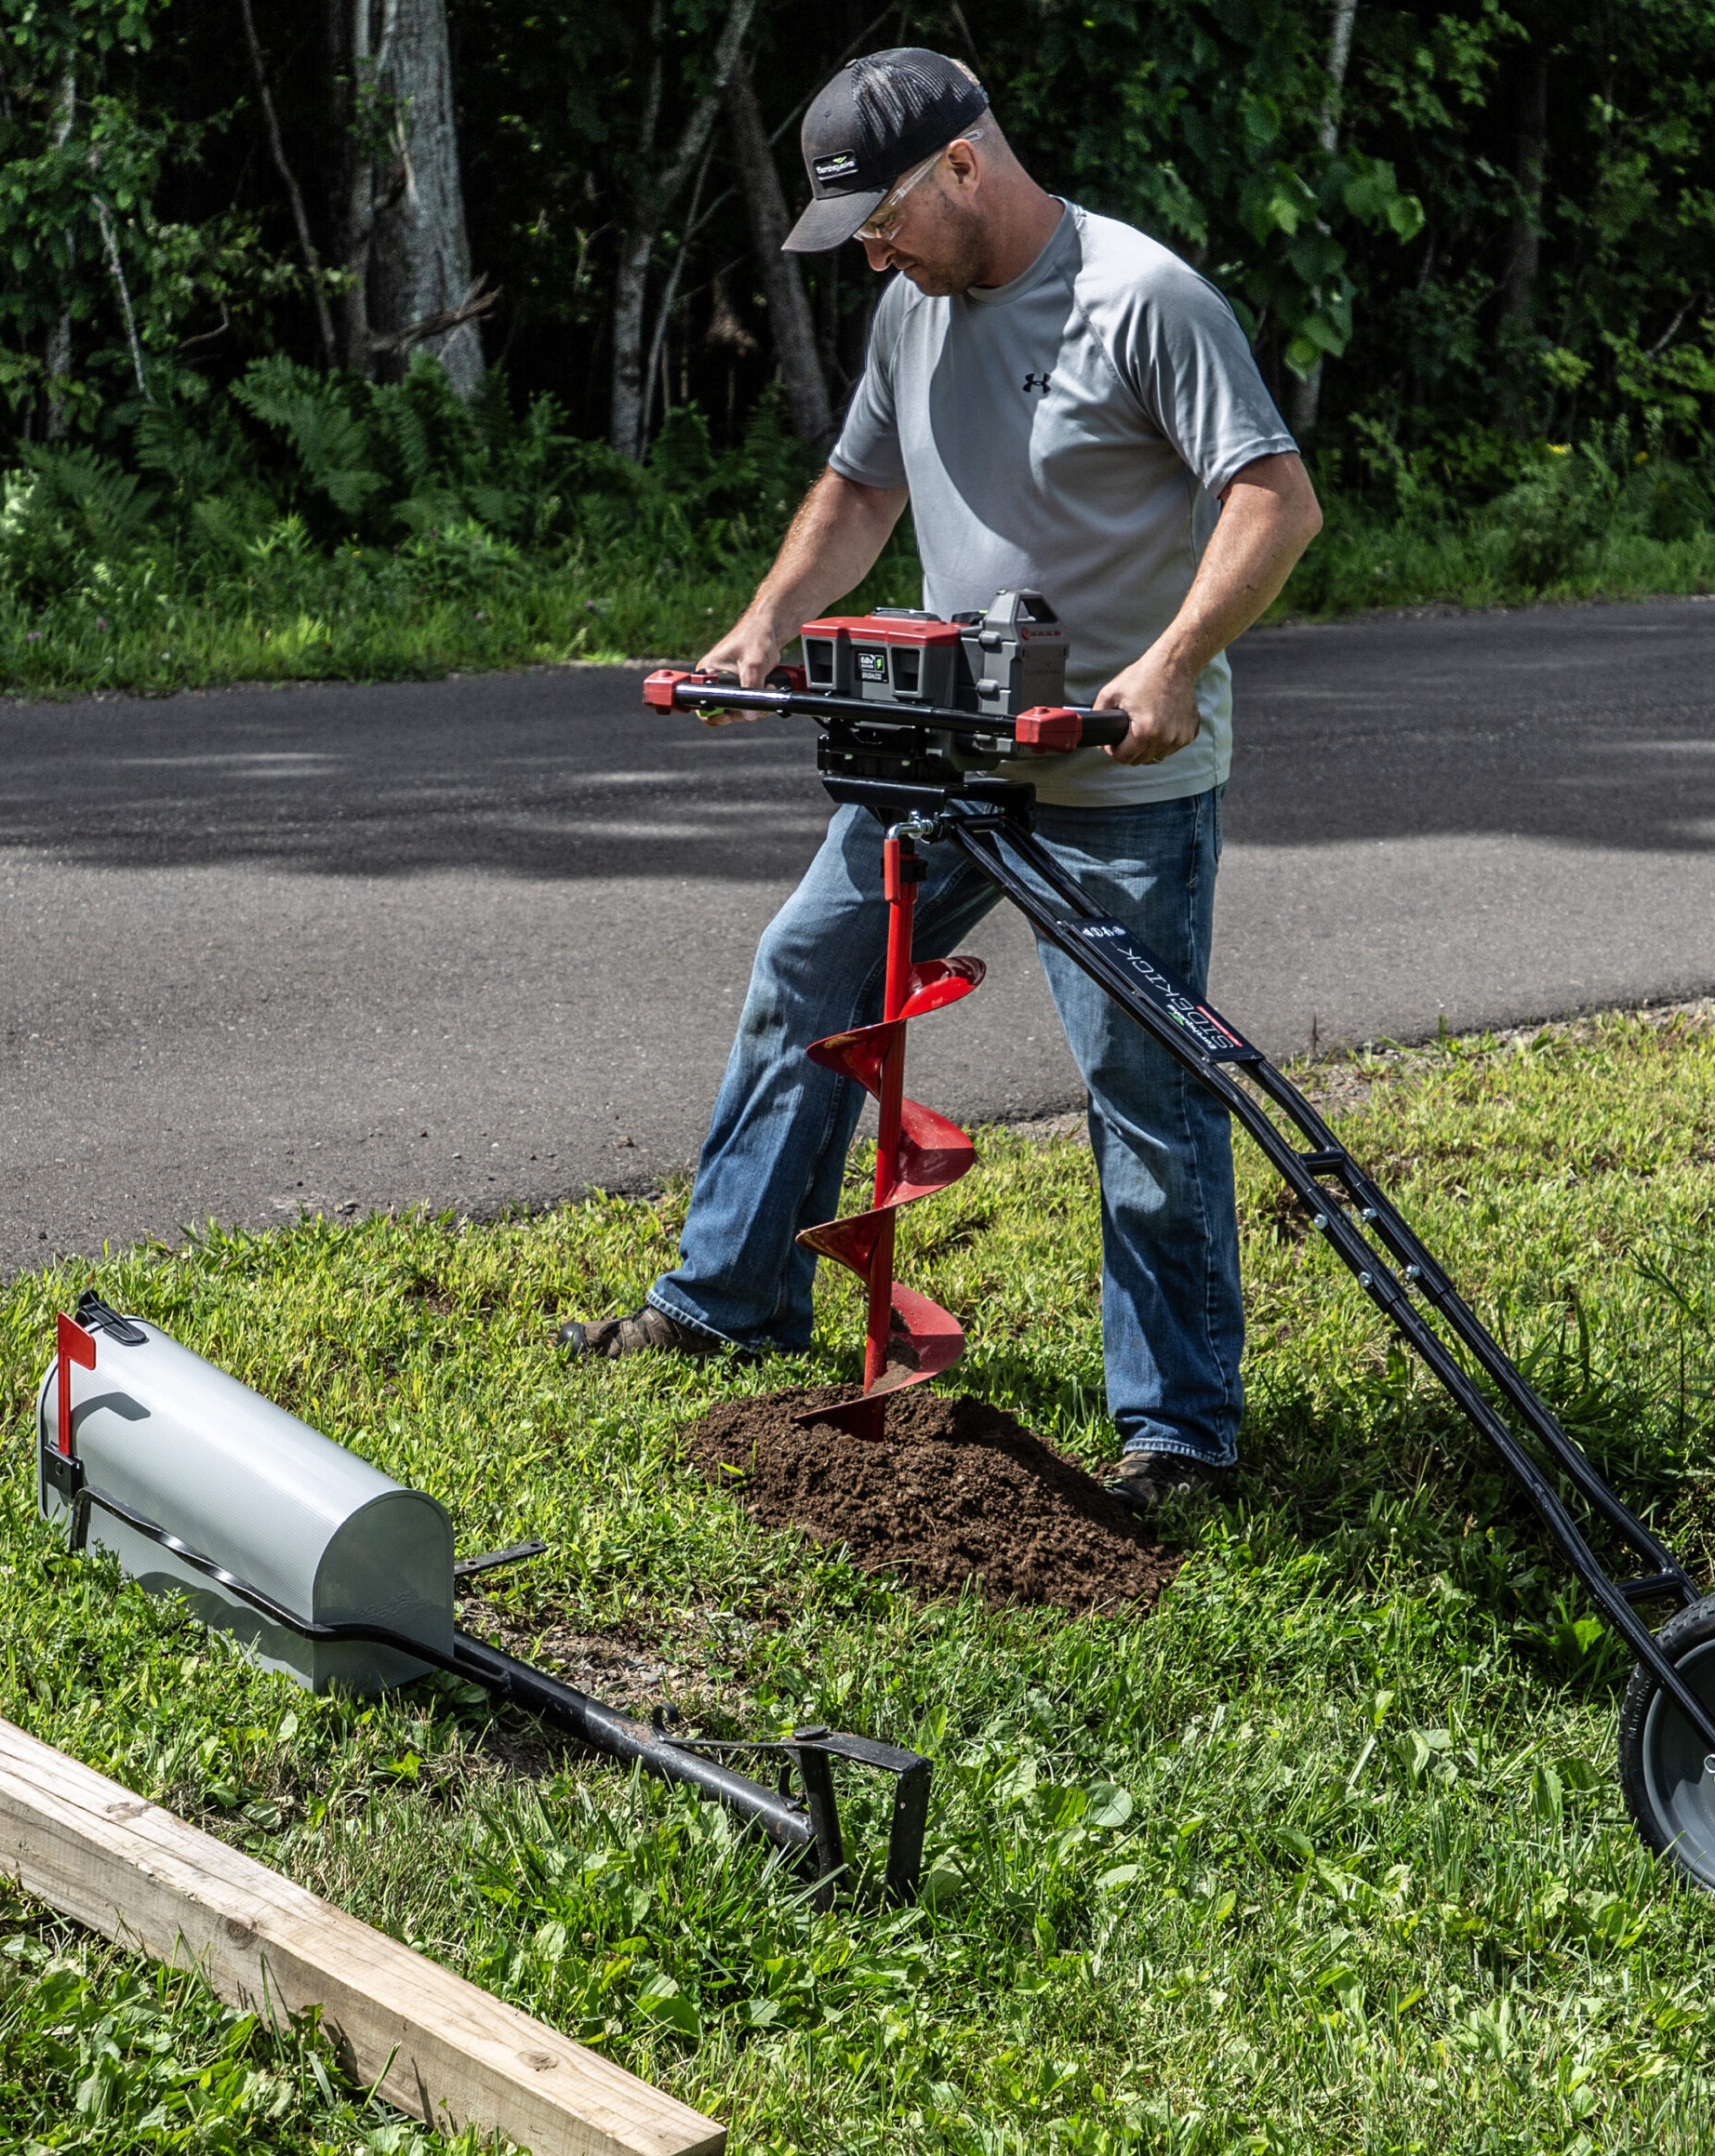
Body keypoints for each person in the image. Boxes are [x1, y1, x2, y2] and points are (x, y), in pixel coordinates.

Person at [563, 47, 1323, 1511]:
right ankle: (727, 1298)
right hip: (939, 751)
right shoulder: (915, 308)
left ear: (964, 166)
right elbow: (861, 489)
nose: (872, 255)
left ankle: (1179, 1431)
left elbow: (1273, 498)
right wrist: (768, 621)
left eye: (882, 219)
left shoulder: (1143, 300)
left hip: (1109, 772)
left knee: (1143, 1086)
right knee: (808, 974)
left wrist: (1171, 663)